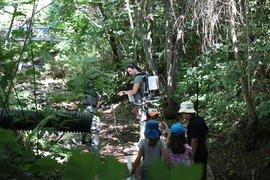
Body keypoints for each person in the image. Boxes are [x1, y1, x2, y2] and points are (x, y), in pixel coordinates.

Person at [178, 101, 208, 180]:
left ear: (187, 113)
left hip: (197, 153)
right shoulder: (200, 119)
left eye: (183, 113)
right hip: (203, 150)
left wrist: (191, 156)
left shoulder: (192, 124)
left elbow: (194, 140)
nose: (183, 115)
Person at [117, 64, 148, 139]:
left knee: (142, 121)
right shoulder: (145, 75)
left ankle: (142, 140)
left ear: (134, 68)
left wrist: (123, 92)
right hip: (147, 99)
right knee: (147, 119)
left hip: (141, 101)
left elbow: (134, 91)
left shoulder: (137, 77)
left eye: (130, 71)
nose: (129, 73)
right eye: (128, 72)